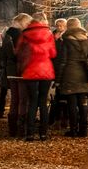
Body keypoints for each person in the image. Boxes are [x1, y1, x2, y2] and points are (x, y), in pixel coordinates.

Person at [16, 12, 57, 142]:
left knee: (32, 102)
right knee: (43, 102)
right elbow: (53, 53)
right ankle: (43, 133)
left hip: (30, 71)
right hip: (45, 70)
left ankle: (30, 133)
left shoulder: (25, 34)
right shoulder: (49, 34)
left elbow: (18, 52)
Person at [54, 18, 88, 137]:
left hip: (69, 74)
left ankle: (73, 129)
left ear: (69, 27)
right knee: (83, 102)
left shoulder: (66, 40)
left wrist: (58, 80)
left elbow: (63, 61)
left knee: (71, 103)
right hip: (83, 74)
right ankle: (84, 130)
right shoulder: (87, 40)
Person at [0, 13, 31, 137]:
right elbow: (21, 54)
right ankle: (21, 128)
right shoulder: (20, 35)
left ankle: (12, 129)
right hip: (20, 70)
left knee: (14, 99)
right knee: (23, 99)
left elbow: (3, 54)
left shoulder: (7, 35)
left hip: (11, 71)